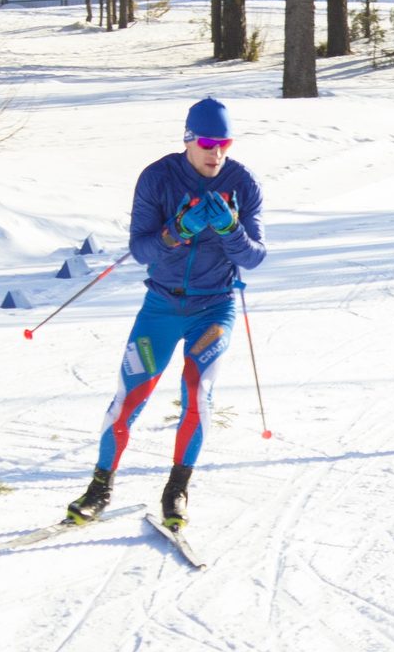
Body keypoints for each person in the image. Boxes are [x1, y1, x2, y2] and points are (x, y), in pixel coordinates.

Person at [66, 96, 266, 530]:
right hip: (160, 305)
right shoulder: (158, 177)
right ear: (189, 140)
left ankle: (176, 489)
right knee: (129, 396)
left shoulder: (242, 182)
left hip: (214, 308)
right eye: (209, 143)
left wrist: (230, 230)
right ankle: (99, 488)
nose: (217, 153)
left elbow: (254, 257)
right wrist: (177, 232)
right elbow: (140, 249)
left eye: (224, 143)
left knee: (198, 394)